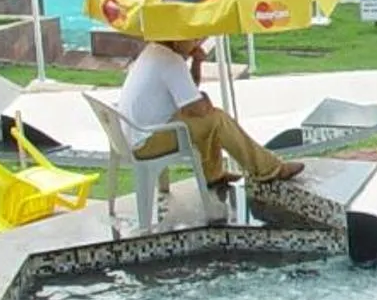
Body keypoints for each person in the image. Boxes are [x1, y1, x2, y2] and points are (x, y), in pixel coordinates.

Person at [119, 36, 305, 198]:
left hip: (136, 135)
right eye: (193, 39)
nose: (197, 43)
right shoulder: (171, 61)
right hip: (146, 142)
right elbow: (198, 109)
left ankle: (214, 175)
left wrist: (197, 63)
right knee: (216, 119)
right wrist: (203, 102)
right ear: (177, 38)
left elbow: (190, 92)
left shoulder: (155, 51)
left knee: (208, 120)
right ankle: (268, 169)